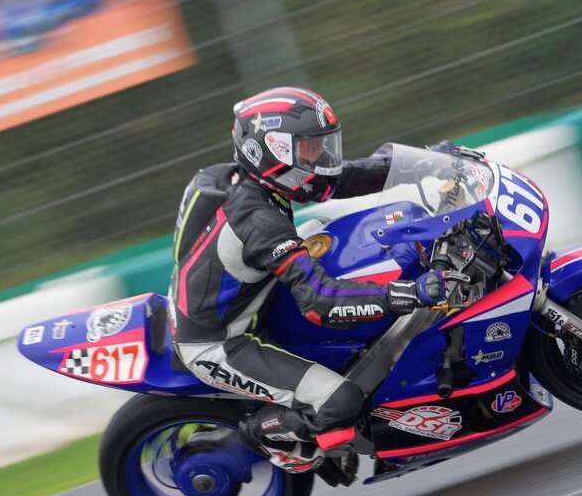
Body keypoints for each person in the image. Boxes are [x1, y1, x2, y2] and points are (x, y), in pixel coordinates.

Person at [167, 87, 445, 472]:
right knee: (341, 400)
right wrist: (406, 294)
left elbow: (338, 179)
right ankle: (266, 435)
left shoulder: (241, 179)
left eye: (320, 144)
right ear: (273, 150)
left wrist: (414, 164)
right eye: (310, 147)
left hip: (240, 298)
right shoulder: (260, 221)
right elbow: (321, 302)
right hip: (218, 344)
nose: (322, 157)